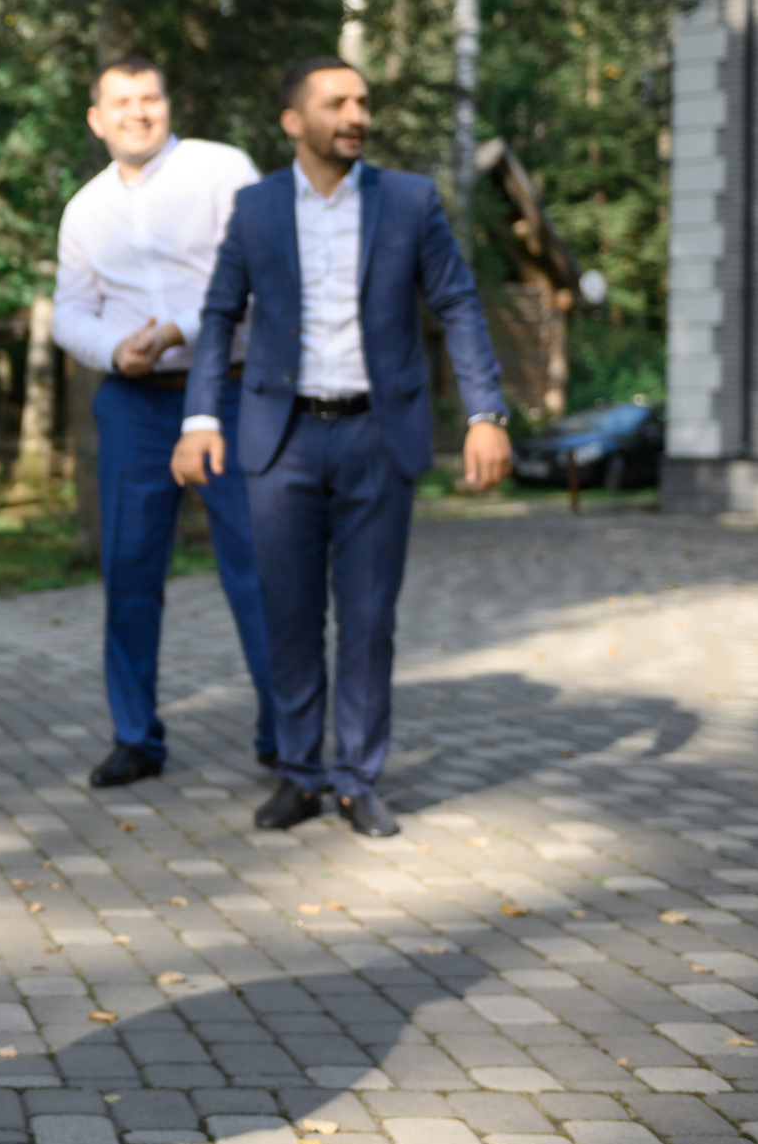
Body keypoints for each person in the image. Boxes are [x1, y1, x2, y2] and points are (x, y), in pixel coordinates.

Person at [173, 57, 511, 839]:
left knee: (367, 619)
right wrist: (200, 422)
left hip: (377, 437)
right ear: (295, 121)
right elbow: (220, 313)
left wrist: (486, 412)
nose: (357, 114)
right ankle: (299, 774)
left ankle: (357, 779)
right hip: (278, 440)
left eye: (363, 100)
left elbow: (457, 302)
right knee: (289, 614)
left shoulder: (410, 201)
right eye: (338, 102)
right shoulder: (255, 209)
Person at [51, 59, 279, 790]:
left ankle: (287, 733)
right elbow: (67, 312)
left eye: (150, 98)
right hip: (133, 403)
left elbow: (264, 273)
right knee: (129, 573)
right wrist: (114, 349)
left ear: (167, 104)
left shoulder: (221, 170)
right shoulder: (84, 210)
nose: (138, 112)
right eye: (121, 102)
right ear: (98, 118)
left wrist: (179, 330)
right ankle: (135, 736)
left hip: (233, 391)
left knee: (259, 568)